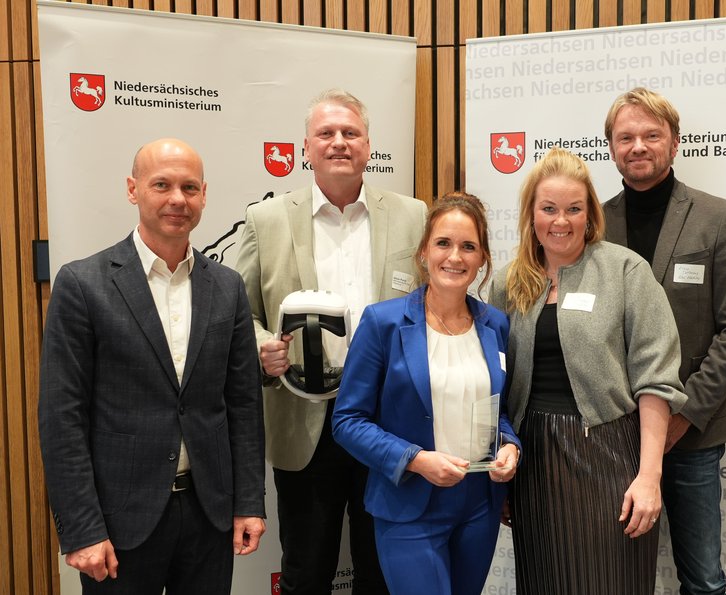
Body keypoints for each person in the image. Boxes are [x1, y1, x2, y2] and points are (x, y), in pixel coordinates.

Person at [38, 138, 266, 594]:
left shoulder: (227, 287)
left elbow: (243, 405)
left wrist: (249, 502)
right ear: (133, 189)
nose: (177, 199)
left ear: (204, 195)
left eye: (189, 187)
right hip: (119, 522)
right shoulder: (83, 284)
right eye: (161, 185)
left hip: (210, 515)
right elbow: (62, 417)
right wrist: (83, 528)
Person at [234, 88, 427, 595]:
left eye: (350, 133)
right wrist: (260, 347)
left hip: (388, 423)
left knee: (381, 571)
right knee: (306, 571)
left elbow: (436, 306)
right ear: (306, 148)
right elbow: (242, 314)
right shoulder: (267, 219)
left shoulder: (413, 216)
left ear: (368, 145)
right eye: (326, 134)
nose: (339, 142)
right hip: (304, 426)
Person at [489, 147, 688, 594]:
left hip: (611, 457)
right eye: (549, 209)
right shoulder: (507, 283)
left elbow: (656, 381)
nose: (561, 221)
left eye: (574, 209)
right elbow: (491, 383)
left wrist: (649, 476)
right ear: (531, 213)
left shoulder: (624, 271)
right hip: (533, 461)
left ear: (590, 213)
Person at [603, 87, 726, 595]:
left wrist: (681, 416)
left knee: (703, 578)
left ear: (674, 143)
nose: (638, 146)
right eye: (626, 137)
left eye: (651, 135)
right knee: (615, 571)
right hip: (614, 429)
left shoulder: (717, 217)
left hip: (694, 434)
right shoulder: (594, 224)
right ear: (611, 147)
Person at [332, 192, 520, 595]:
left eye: (468, 246)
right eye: (443, 243)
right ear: (423, 252)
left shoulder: (496, 326)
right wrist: (415, 460)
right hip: (408, 505)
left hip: (478, 505)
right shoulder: (382, 323)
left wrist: (510, 447)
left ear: (483, 258)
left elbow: (498, 411)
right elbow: (347, 422)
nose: (455, 256)